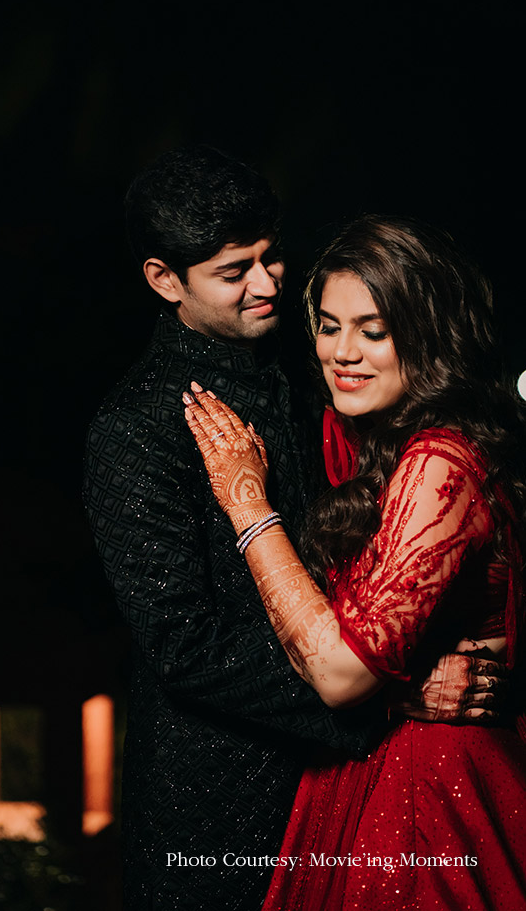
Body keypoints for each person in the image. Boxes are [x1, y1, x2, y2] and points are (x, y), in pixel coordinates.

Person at [83, 148, 503, 911]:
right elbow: (186, 644)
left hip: (352, 778)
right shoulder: (137, 427)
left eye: (272, 256)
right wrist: (387, 694)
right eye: (234, 270)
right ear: (163, 280)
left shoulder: (329, 367)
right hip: (217, 793)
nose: (269, 282)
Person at [183, 213, 526, 910]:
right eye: (329, 325)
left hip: (427, 805)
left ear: (428, 339)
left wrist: (246, 504)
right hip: (378, 778)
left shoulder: (440, 463)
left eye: (373, 331)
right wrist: (405, 688)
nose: (343, 351)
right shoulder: (372, 445)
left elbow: (340, 674)